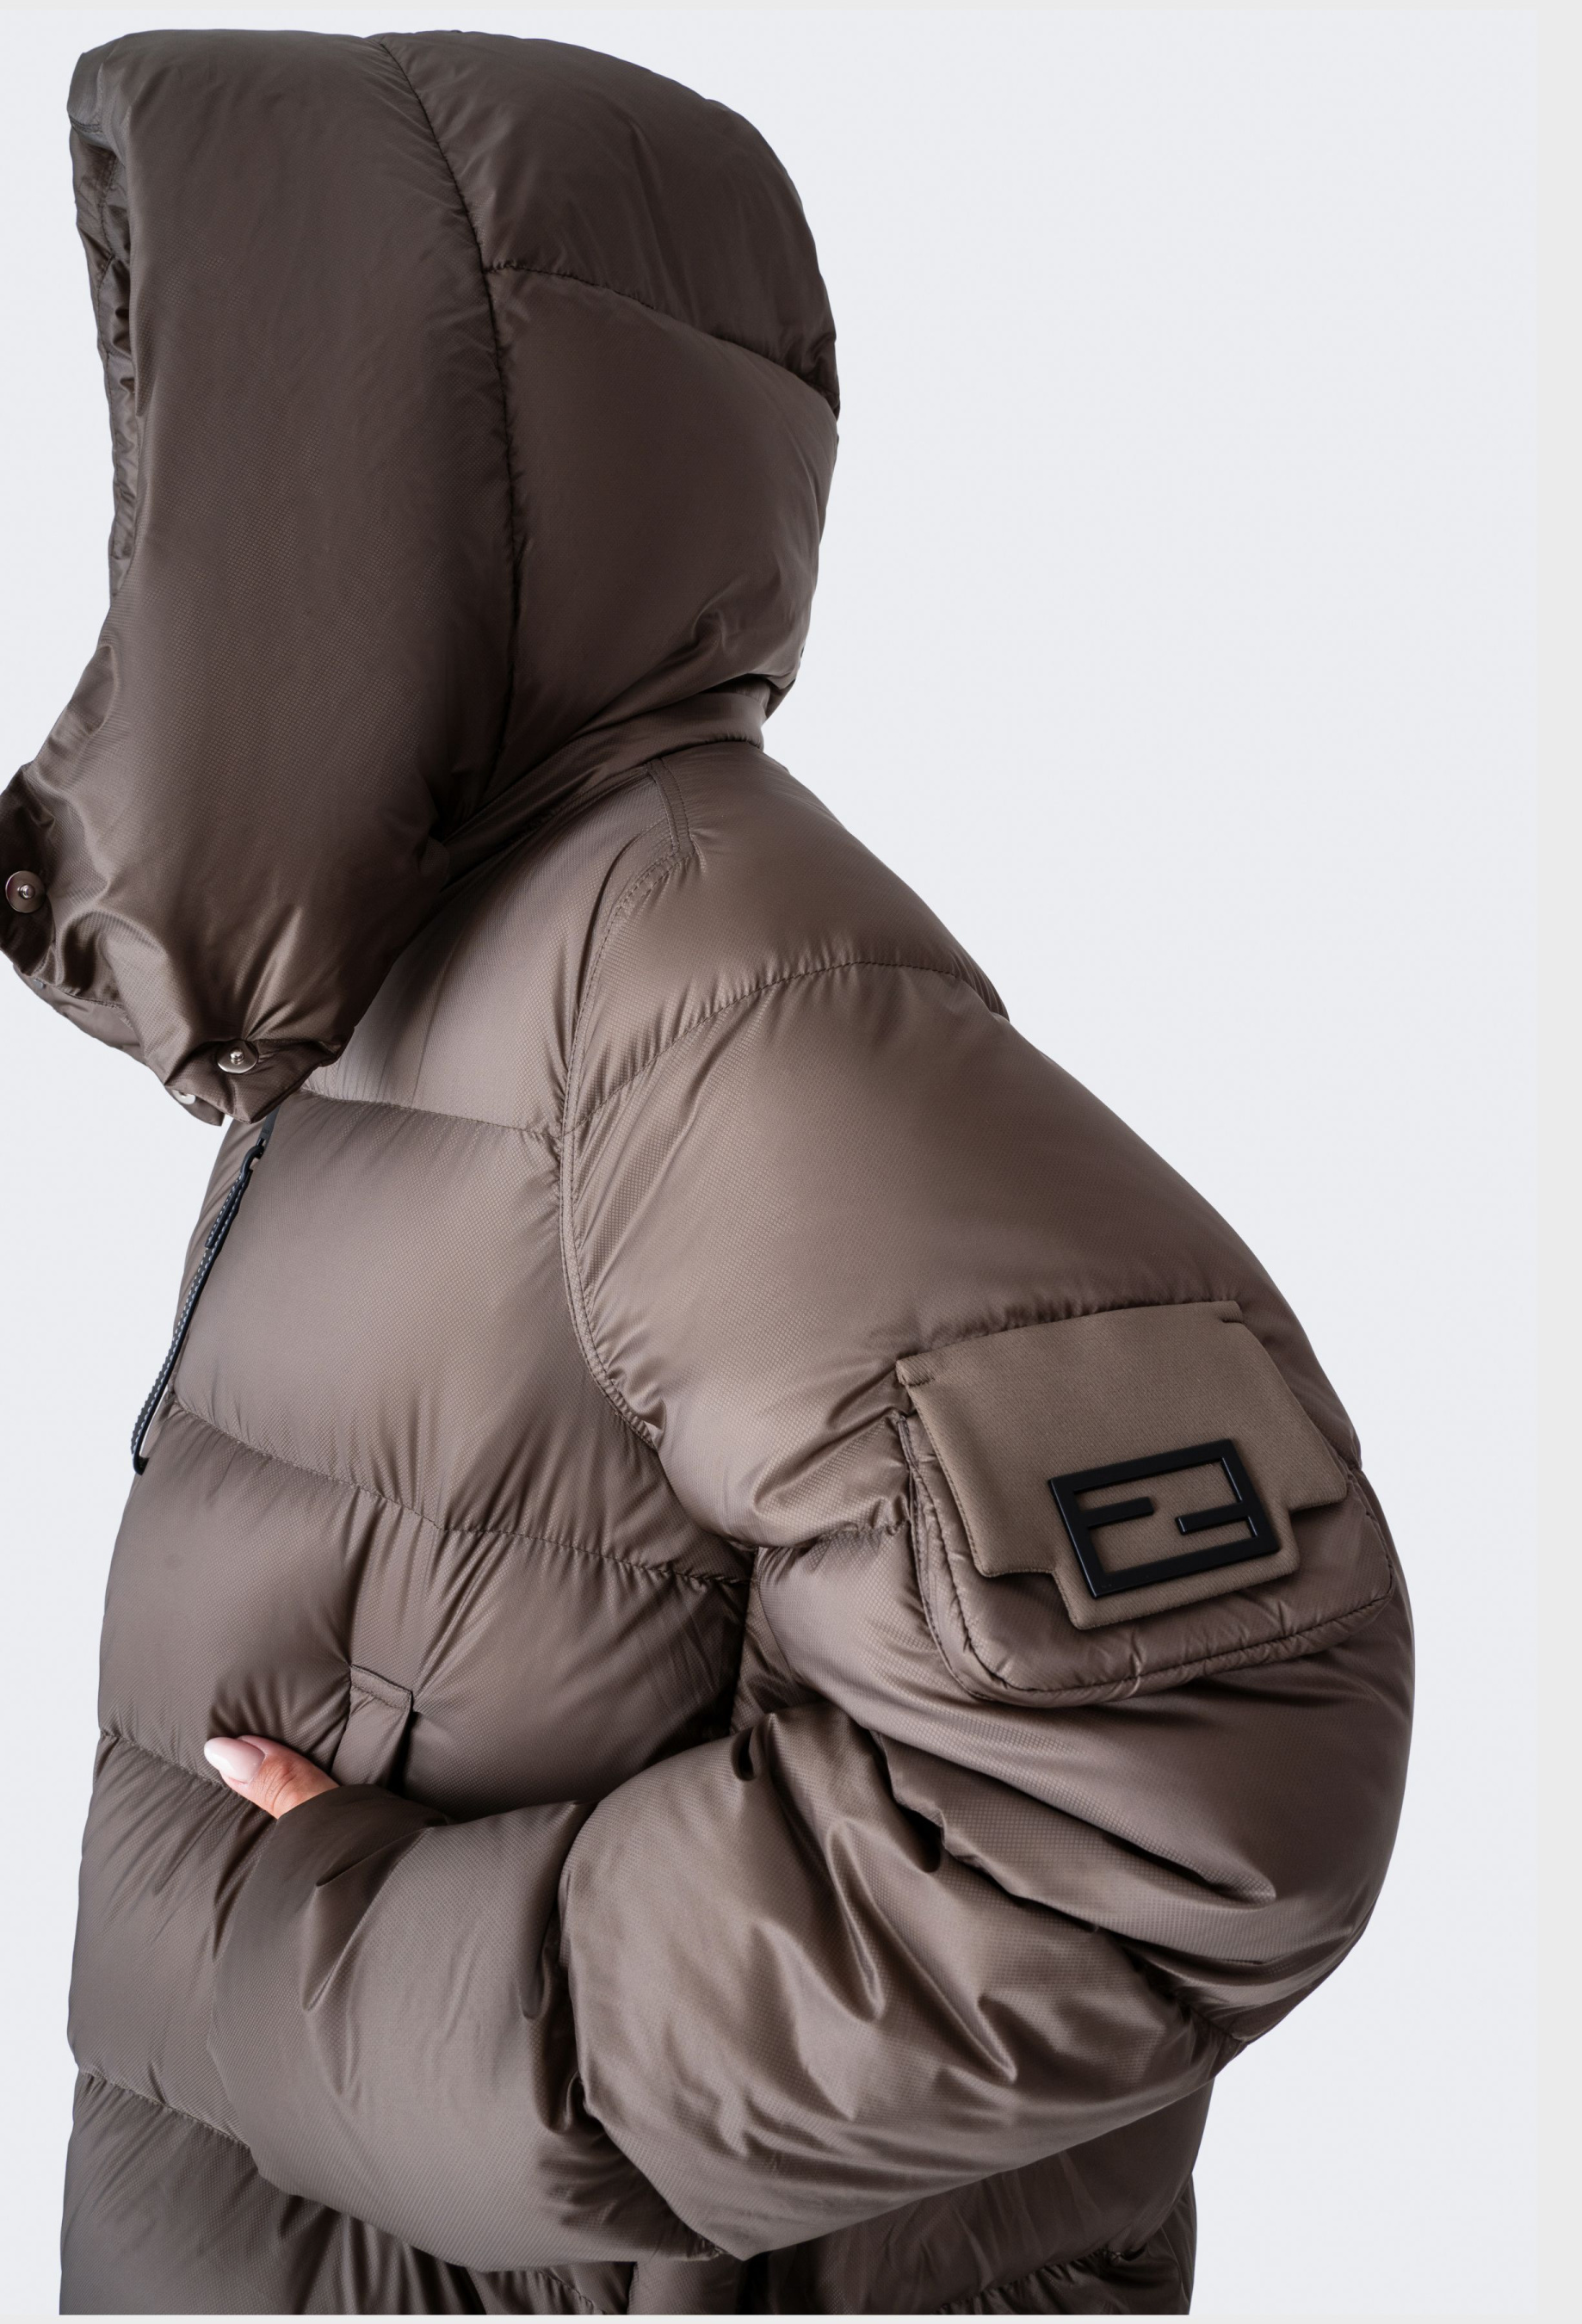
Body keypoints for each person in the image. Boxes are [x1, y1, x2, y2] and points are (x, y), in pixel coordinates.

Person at [0, 28, 1413, 2316]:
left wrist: (333, 1971)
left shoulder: (686, 977)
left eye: (203, 443)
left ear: (387, 477)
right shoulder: (415, 971)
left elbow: (1170, 1785)